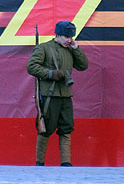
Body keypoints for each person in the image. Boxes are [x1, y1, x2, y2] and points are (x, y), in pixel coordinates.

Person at [26, 20, 89, 166]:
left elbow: (83, 66)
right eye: (67, 37)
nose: (69, 40)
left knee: (66, 127)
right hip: (49, 95)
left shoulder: (70, 49)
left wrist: (77, 48)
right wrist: (51, 74)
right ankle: (39, 163)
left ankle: (66, 163)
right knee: (45, 128)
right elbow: (31, 67)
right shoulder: (44, 48)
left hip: (66, 95)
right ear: (58, 35)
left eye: (71, 36)